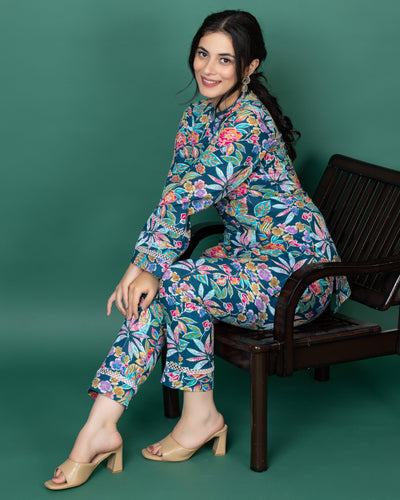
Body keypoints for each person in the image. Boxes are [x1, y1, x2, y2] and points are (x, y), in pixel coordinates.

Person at [45, 9, 350, 490]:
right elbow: (175, 196)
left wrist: (143, 265)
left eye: (225, 60)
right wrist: (142, 268)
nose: (208, 68)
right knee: (162, 287)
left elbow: (189, 195)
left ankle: (199, 417)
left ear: (249, 67)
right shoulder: (196, 117)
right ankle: (99, 427)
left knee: (174, 280)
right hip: (244, 262)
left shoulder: (248, 123)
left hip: (300, 275)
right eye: (203, 54)